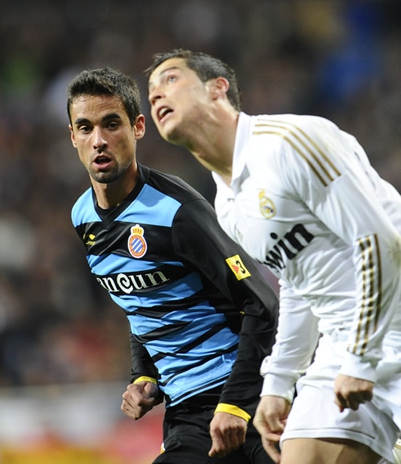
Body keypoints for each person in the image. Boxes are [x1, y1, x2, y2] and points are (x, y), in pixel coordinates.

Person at [146, 49, 401, 464]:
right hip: (345, 346)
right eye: (151, 91)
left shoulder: (290, 143)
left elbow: (379, 241)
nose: (156, 95)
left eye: (170, 80)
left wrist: (361, 356)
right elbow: (300, 287)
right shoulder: (227, 206)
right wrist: (278, 385)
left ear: (217, 89)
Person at [67, 66, 279, 463]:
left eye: (112, 124)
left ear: (138, 127)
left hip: (245, 395)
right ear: (72, 136)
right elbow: (142, 305)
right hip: (187, 413)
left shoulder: (178, 213)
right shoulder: (83, 217)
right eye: (86, 127)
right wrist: (143, 375)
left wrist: (234, 403)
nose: (99, 140)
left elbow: (262, 303)